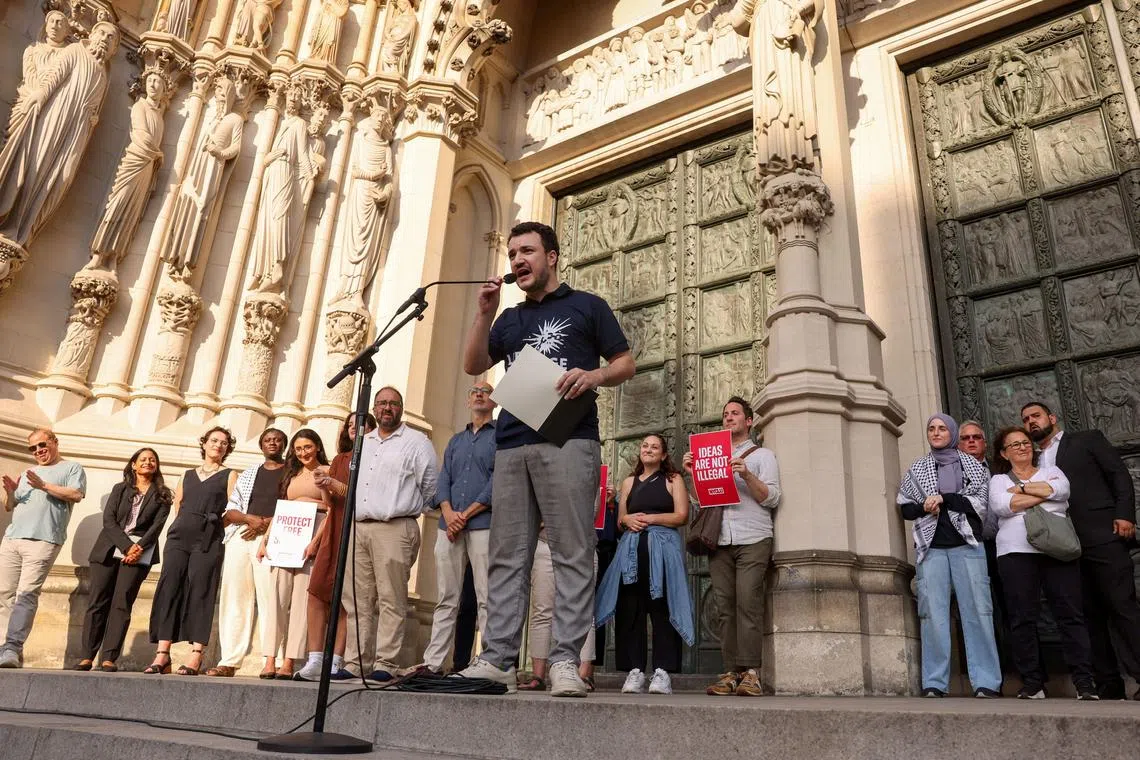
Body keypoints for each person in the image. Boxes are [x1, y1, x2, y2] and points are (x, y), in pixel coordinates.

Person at [459, 221, 634, 697]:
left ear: (551, 256)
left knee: (572, 552)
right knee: (506, 556)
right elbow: (474, 364)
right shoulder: (509, 319)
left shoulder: (587, 306)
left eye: (528, 251)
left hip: (569, 439)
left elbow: (625, 363)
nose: (518, 260)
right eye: (513, 253)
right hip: (512, 443)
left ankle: (563, 662)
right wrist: (484, 313)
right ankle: (496, 659)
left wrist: (594, 377)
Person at [1022, 401, 1140, 700]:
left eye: (1035, 416)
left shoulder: (1087, 439)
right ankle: (1108, 684)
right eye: (1025, 420)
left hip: (1102, 535)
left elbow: (1119, 475)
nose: (1031, 422)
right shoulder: (1032, 461)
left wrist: (1125, 514)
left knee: (1121, 607)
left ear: (1052, 417)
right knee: (1088, 617)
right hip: (1064, 546)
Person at [988, 427, 1097, 700]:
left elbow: (1063, 491)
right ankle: (1033, 683)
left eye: (1025, 443)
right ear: (1004, 453)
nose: (1023, 448)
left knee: (1070, 615)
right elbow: (1002, 506)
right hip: (1015, 553)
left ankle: (1085, 683)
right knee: (1022, 618)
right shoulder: (999, 480)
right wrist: (1045, 494)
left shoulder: (1052, 470)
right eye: (1014, 445)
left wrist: (1023, 490)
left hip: (1056, 550)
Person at [897, 414, 1002, 698]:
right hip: (931, 549)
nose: (936, 432)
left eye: (942, 428)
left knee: (978, 613)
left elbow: (981, 503)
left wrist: (945, 498)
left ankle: (986, 682)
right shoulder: (918, 468)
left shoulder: (973, 466)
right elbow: (905, 507)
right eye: (931, 428)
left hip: (968, 547)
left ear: (952, 432)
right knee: (932, 615)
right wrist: (924, 507)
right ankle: (934, 683)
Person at [683, 397, 780, 697]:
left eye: (735, 413)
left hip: (753, 537)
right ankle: (730, 672)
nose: (728, 418)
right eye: (725, 414)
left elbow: (773, 498)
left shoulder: (763, 455)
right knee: (724, 607)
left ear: (749, 421)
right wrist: (692, 475)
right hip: (720, 539)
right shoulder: (712, 454)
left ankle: (751, 673)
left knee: (747, 604)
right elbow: (702, 502)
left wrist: (746, 474)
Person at [343, 387, 438, 681]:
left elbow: (431, 488)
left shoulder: (417, 442)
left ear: (401, 408)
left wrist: (403, 508)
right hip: (360, 527)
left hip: (396, 526)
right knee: (357, 599)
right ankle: (356, 662)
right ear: (374, 407)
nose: (387, 408)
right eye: (382, 403)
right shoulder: (364, 442)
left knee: (391, 597)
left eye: (393, 404)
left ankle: (386, 662)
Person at [597, 434, 694, 695]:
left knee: (661, 607)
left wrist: (650, 519)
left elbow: (681, 515)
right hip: (630, 552)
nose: (648, 450)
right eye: (645, 446)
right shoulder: (629, 482)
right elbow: (621, 519)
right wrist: (627, 521)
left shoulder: (673, 480)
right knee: (631, 609)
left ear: (663, 455)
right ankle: (635, 670)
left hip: (662, 552)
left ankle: (663, 671)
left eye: (655, 447)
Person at [145, 427, 239, 676]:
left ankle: (196, 654)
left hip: (208, 539)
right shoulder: (186, 474)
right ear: (204, 444)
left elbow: (234, 509)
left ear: (227, 449)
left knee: (201, 589)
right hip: (179, 537)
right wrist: (184, 525)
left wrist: (214, 526)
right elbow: (179, 505)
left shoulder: (230, 475)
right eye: (214, 440)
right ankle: (162, 654)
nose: (218, 445)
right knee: (169, 588)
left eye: (224, 443)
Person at [294, 412, 376, 681]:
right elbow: (330, 504)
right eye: (350, 425)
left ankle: (337, 660)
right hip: (334, 526)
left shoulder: (375, 457)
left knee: (346, 598)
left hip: (357, 529)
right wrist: (324, 486)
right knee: (317, 591)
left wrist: (333, 483)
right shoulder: (340, 459)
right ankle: (315, 657)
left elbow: (361, 495)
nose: (354, 428)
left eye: (360, 424)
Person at [422, 383, 497, 674]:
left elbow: (497, 481)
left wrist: (463, 515)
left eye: (486, 391)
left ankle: (489, 661)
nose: (479, 394)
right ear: (468, 400)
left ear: (493, 401)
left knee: (485, 595)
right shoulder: (455, 440)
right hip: (448, 525)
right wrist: (449, 513)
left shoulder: (500, 438)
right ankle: (434, 662)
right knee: (446, 598)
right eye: (474, 390)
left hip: (481, 525)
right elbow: (444, 479)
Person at [76, 448, 172, 672]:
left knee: (122, 604)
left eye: (152, 460)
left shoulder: (162, 494)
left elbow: (156, 527)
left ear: (156, 466)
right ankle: (87, 656)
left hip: (140, 553)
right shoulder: (120, 489)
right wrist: (127, 546)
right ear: (133, 465)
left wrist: (137, 548)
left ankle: (109, 657)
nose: (148, 462)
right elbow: (109, 521)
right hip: (108, 551)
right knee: (97, 602)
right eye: (143, 459)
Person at [0, 429, 86, 668]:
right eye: (33, 448)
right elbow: (11, 506)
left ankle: (12, 649)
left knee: (26, 595)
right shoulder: (29, 472)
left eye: (42, 445)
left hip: (43, 541)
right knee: (3, 594)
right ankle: (3, 648)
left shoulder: (72, 468)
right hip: (12, 539)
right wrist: (9, 493)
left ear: (54, 443)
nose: (38, 451)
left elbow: (76, 494)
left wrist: (44, 485)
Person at [207, 428, 287, 679]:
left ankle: (273, 660)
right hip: (241, 536)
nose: (272, 443)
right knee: (234, 597)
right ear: (261, 445)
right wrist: (250, 520)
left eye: (277, 440)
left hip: (274, 538)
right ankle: (229, 660)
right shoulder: (249, 473)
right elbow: (230, 513)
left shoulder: (291, 473)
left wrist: (263, 524)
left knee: (271, 599)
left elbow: (295, 507)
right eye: (267, 440)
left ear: (284, 445)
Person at [257, 429, 332, 679]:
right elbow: (281, 508)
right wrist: (265, 540)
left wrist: (315, 542)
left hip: (312, 533)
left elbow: (331, 510)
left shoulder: (327, 471)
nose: (303, 453)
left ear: (317, 447)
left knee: (301, 600)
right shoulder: (291, 473)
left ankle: (289, 661)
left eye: (308, 447)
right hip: (285, 533)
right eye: (299, 449)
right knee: (276, 597)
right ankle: (269, 658)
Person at [960, 419, 1012, 677]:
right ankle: (989, 677)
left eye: (976, 437)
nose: (971, 441)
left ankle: (1024, 673)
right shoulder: (951, 471)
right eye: (966, 438)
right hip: (969, 546)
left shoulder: (1002, 468)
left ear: (984, 442)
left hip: (1004, 546)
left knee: (1011, 605)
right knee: (978, 610)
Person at [519, 531, 598, 691]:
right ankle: (538, 676)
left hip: (581, 545)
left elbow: (592, 510)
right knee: (541, 612)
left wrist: (548, 518)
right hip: (544, 544)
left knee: (583, 611)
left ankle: (582, 676)